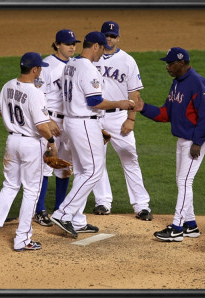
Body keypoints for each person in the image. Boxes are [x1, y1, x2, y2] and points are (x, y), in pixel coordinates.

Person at [49, 32, 135, 238]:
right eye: (103, 48)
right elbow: (95, 101)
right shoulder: (87, 68)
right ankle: (63, 213)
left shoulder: (71, 64)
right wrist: (120, 103)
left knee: (81, 170)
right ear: (95, 46)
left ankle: (77, 220)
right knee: (94, 170)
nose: (103, 53)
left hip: (73, 121)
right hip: (84, 122)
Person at [134, 47, 205, 242]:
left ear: (181, 63)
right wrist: (143, 108)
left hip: (194, 140)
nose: (167, 67)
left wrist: (197, 142)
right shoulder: (177, 84)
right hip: (183, 139)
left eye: (170, 64)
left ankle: (177, 227)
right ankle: (190, 225)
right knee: (182, 180)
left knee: (184, 181)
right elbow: (167, 114)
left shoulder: (197, 83)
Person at [0, 52, 59, 251]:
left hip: (12, 142)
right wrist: (51, 142)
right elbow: (43, 127)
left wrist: (15, 121)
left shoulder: (8, 85)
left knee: (9, 186)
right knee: (32, 191)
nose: (40, 70)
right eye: (39, 67)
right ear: (34, 70)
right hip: (31, 145)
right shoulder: (36, 92)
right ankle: (22, 239)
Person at [91, 20, 153, 221]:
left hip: (119, 117)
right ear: (100, 38)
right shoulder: (90, 59)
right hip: (95, 117)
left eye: (112, 36)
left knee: (130, 158)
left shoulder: (127, 60)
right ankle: (102, 202)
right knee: (96, 160)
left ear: (118, 38)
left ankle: (141, 205)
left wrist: (131, 119)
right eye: (106, 36)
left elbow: (134, 93)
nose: (109, 39)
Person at [32, 29, 81, 227]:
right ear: (57, 44)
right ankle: (40, 210)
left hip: (70, 120)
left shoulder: (77, 65)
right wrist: (47, 119)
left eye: (74, 43)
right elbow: (37, 95)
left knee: (64, 166)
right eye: (67, 43)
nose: (71, 47)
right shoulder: (47, 65)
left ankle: (61, 208)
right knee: (46, 165)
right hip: (50, 119)